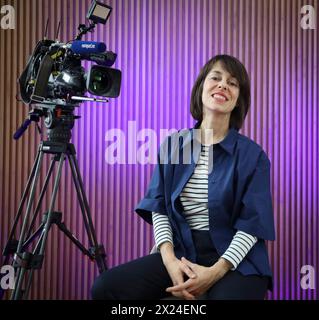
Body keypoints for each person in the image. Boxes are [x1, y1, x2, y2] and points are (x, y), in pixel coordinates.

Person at [91, 54, 275, 300]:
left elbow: (252, 226)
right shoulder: (174, 145)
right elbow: (159, 208)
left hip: (236, 262)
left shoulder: (253, 156)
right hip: (182, 253)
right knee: (105, 288)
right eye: (216, 78)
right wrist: (169, 260)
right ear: (201, 87)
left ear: (238, 99)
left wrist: (215, 272)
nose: (222, 85)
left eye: (232, 83)